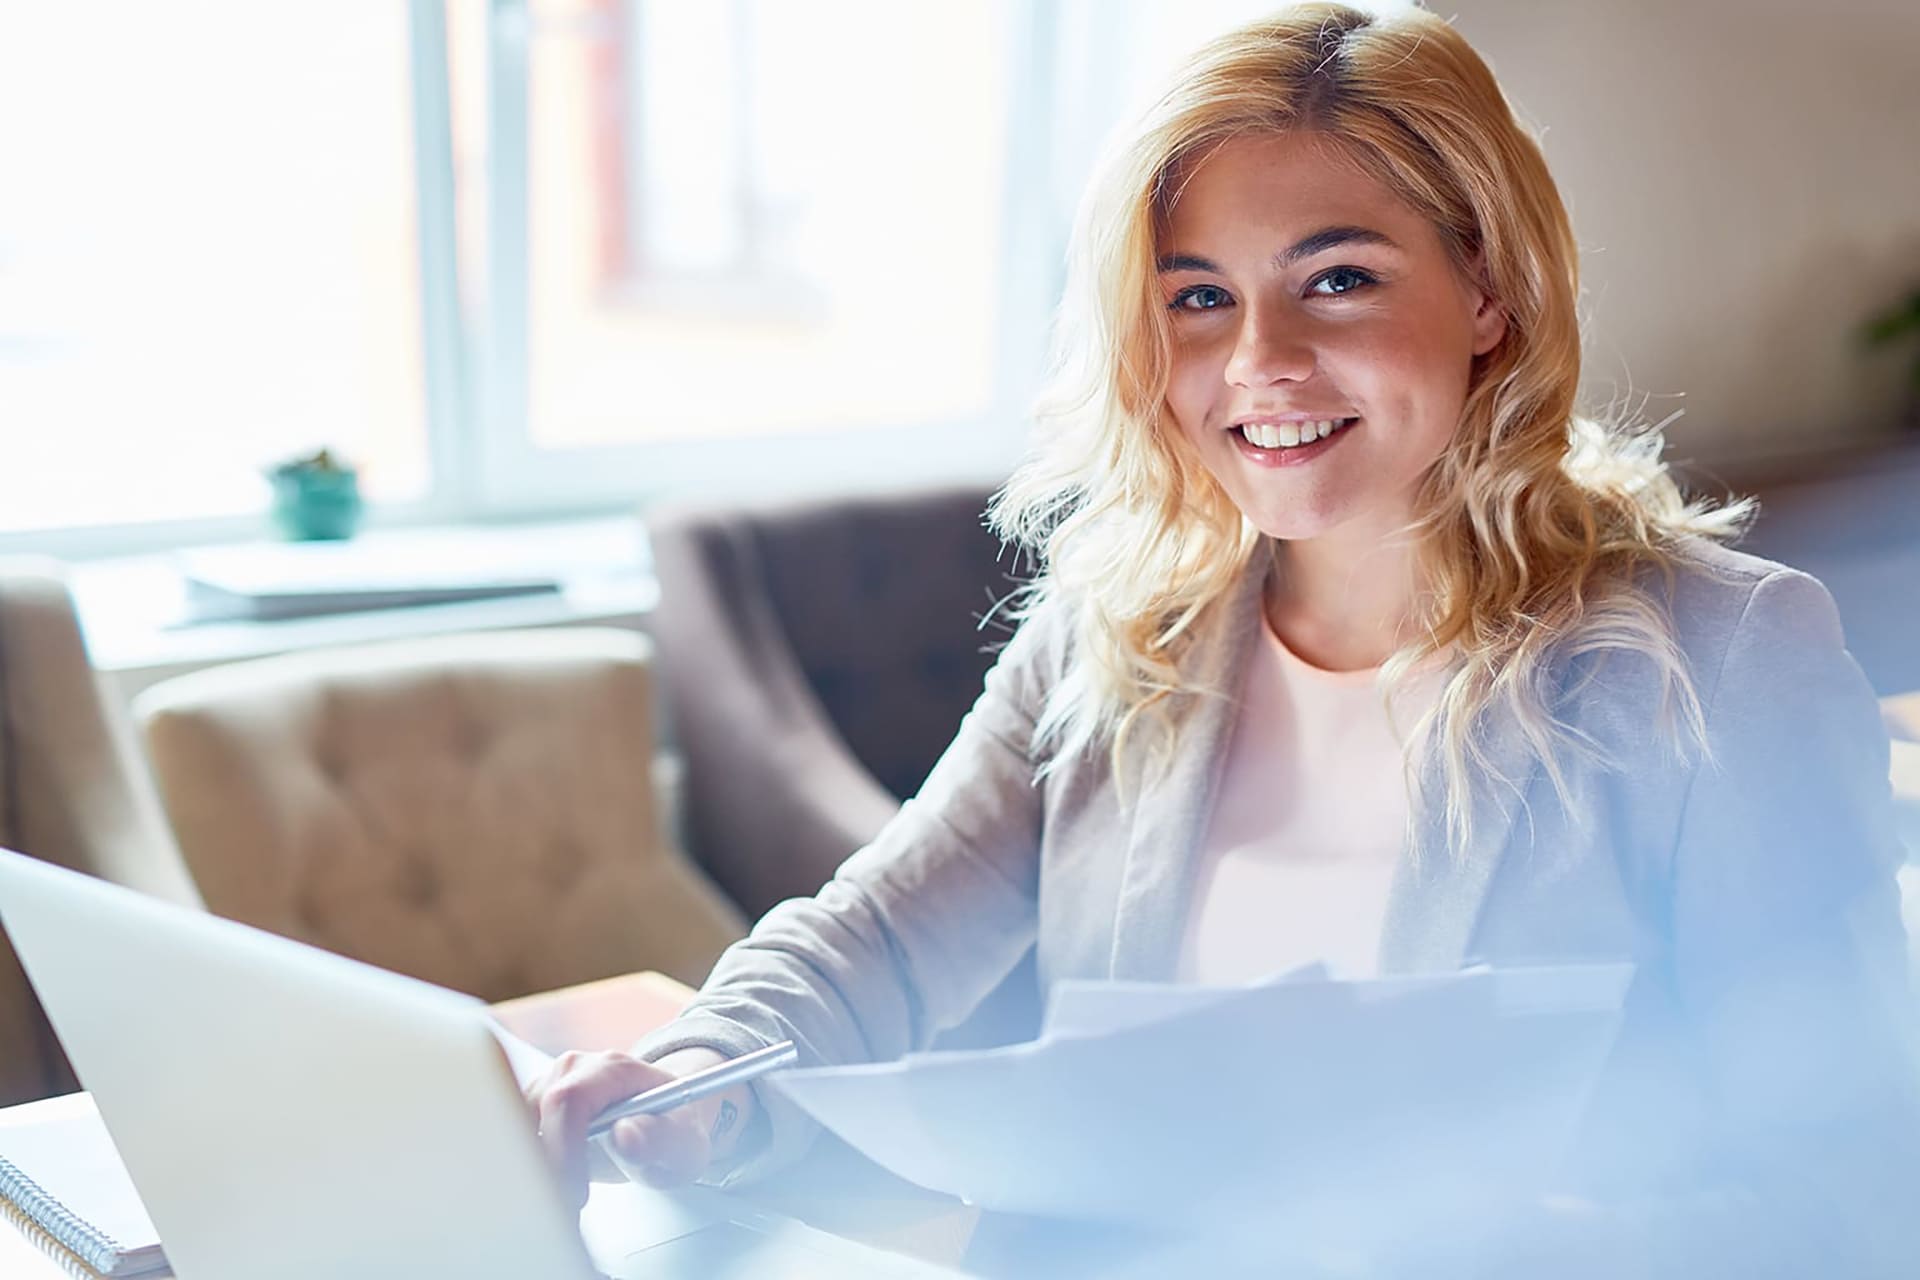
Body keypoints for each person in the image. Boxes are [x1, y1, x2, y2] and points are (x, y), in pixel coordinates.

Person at [528, 2, 1920, 1272]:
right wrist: (698, 1075)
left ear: (1490, 292)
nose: (1259, 359)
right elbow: (880, 934)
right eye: (1197, 296)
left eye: (1337, 280)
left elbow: (1851, 1188)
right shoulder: (1122, 627)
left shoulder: (1718, 659)